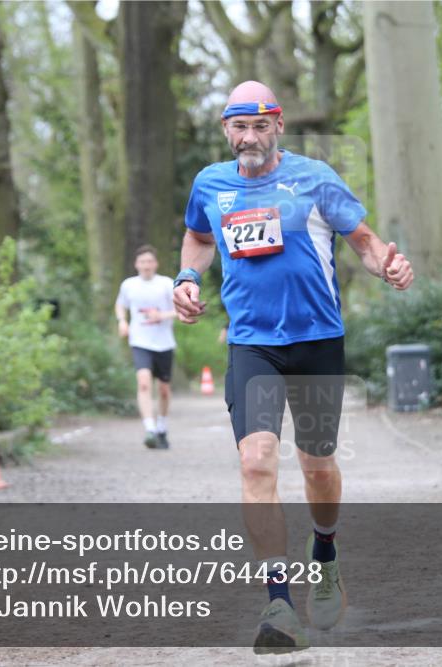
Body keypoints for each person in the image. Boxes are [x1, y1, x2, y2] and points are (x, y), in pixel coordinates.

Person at [173, 81, 414, 653]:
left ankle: (325, 553)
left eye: (260, 126)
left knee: (317, 466)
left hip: (316, 340)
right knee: (256, 461)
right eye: (239, 126)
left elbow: (363, 239)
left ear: (278, 125)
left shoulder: (315, 179)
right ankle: (278, 602)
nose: (249, 137)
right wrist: (186, 278)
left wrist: (389, 265)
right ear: (226, 130)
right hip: (252, 344)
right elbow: (196, 236)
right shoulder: (211, 183)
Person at [115, 245, 178, 450]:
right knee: (143, 383)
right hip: (140, 341)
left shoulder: (166, 284)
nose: (146, 265)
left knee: (164, 390)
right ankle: (149, 429)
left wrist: (162, 316)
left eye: (150, 261)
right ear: (136, 265)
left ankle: (162, 426)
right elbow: (120, 304)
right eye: (142, 262)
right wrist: (122, 321)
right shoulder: (129, 285)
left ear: (156, 264)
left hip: (164, 343)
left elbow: (179, 310)